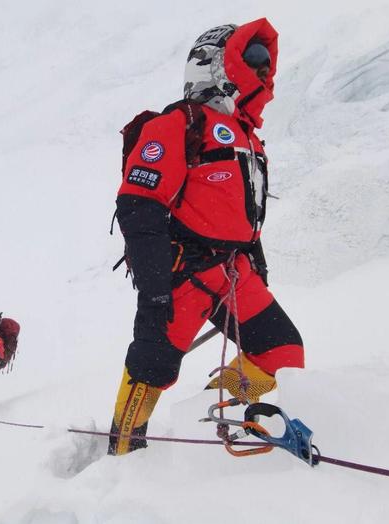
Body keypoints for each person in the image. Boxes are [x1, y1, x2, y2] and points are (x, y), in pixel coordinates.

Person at [108, 18, 305, 456]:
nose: (263, 68)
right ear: (217, 63)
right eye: (252, 58)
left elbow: (241, 213)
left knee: (282, 351)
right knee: (151, 368)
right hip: (182, 277)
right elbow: (139, 208)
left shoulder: (246, 137)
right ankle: (120, 454)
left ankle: (210, 416)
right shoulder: (177, 125)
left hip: (233, 273)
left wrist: (256, 263)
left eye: (266, 61)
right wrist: (156, 292)